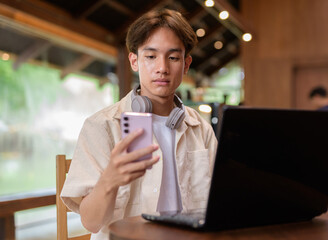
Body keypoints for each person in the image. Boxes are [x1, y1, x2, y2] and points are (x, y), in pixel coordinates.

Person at [60, 8, 218, 240]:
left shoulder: (201, 128)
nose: (162, 68)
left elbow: (221, 200)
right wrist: (109, 180)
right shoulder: (102, 126)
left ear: (186, 65)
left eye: (173, 57)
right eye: (151, 56)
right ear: (134, 61)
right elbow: (91, 223)